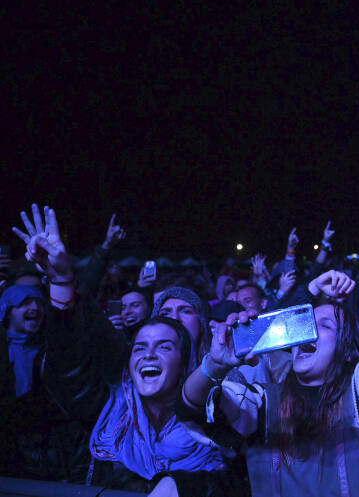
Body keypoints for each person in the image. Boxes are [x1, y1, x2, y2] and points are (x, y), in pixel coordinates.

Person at [11, 204, 233, 495]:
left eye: (165, 346)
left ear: (185, 358)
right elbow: (69, 365)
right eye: (140, 347)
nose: (149, 354)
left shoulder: (220, 405)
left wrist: (181, 486)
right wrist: (62, 281)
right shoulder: (108, 406)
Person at [177, 270, 359, 497]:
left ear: (348, 350)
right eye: (304, 324)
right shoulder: (264, 403)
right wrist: (214, 365)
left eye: (326, 325)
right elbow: (193, 410)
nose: (308, 332)